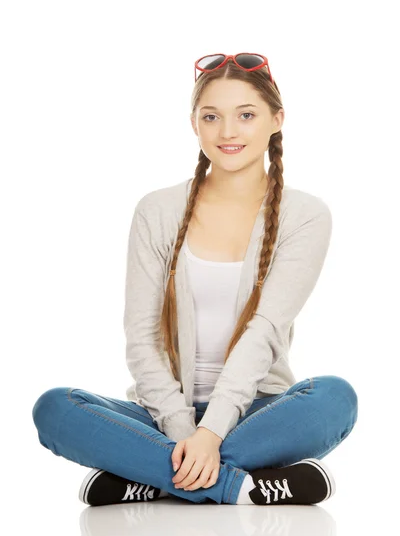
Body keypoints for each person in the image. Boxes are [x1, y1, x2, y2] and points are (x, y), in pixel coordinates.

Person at [32, 53, 358, 506]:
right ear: (194, 125)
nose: (228, 132)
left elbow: (262, 333)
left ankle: (148, 475)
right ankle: (239, 486)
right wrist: (187, 432)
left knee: (335, 399)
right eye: (212, 117)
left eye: (246, 115)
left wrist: (212, 432)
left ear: (276, 119)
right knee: (54, 409)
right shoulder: (158, 210)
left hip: (257, 412)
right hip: (161, 414)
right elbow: (141, 336)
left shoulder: (305, 216)